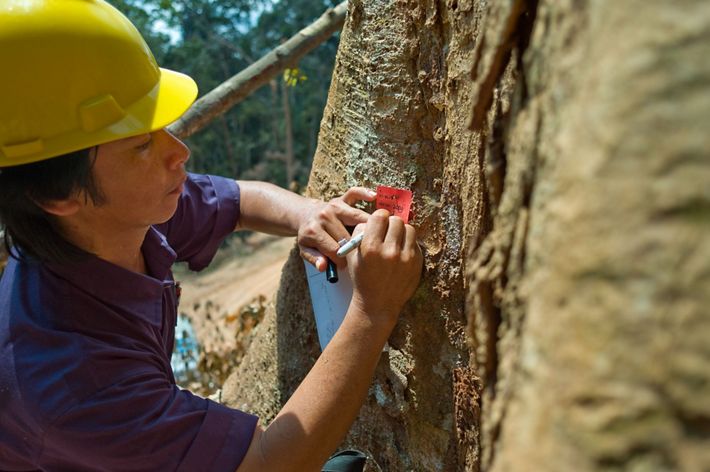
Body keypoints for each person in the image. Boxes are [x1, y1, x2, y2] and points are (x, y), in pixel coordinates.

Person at [0, 1, 423, 471]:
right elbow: (268, 465)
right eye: (142, 145)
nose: (179, 151)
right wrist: (372, 312)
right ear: (58, 195)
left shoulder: (107, 221)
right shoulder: (73, 381)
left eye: (161, 128)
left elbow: (239, 201)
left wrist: (307, 214)